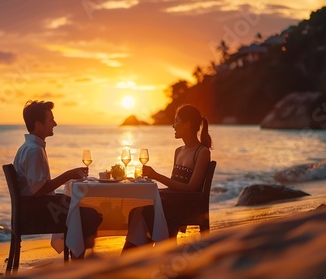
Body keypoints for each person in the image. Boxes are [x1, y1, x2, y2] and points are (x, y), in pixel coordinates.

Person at [13, 100, 102, 259]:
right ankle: (79, 265)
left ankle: (77, 260)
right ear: (38, 124)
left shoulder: (32, 147)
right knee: (90, 215)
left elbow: (38, 188)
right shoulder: (33, 150)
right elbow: (39, 191)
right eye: (51, 120)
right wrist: (68, 175)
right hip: (37, 212)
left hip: (35, 207)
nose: (55, 123)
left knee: (80, 205)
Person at [122, 104, 211, 251]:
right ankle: (140, 251)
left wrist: (156, 176)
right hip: (175, 200)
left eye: (176, 121)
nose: (173, 125)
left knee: (147, 209)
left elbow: (192, 188)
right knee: (137, 207)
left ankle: (141, 253)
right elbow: (173, 185)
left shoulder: (202, 152)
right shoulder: (179, 151)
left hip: (188, 204)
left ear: (187, 124)